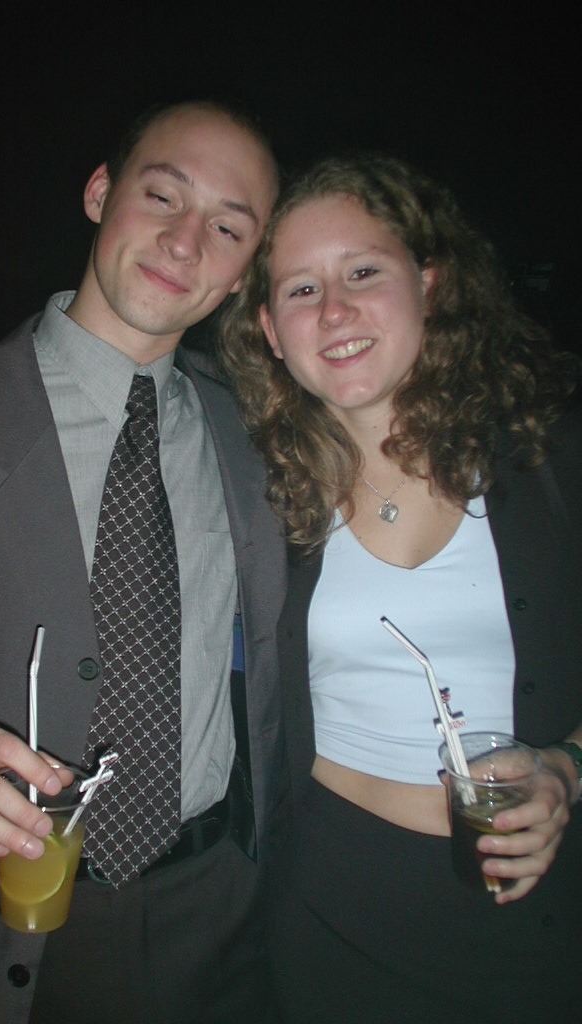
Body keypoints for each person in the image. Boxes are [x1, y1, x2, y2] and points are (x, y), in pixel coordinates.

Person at [0, 100, 286, 1024]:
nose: (185, 242)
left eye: (228, 228)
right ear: (101, 192)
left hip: (222, 916)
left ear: (243, 272)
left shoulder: (261, 444)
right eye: (163, 196)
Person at [219, 153, 581, 1023]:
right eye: (301, 289)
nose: (334, 310)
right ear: (270, 330)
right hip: (324, 911)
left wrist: (568, 770)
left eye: (363, 272)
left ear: (429, 282)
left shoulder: (552, 457)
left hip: (527, 911)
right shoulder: (259, 490)